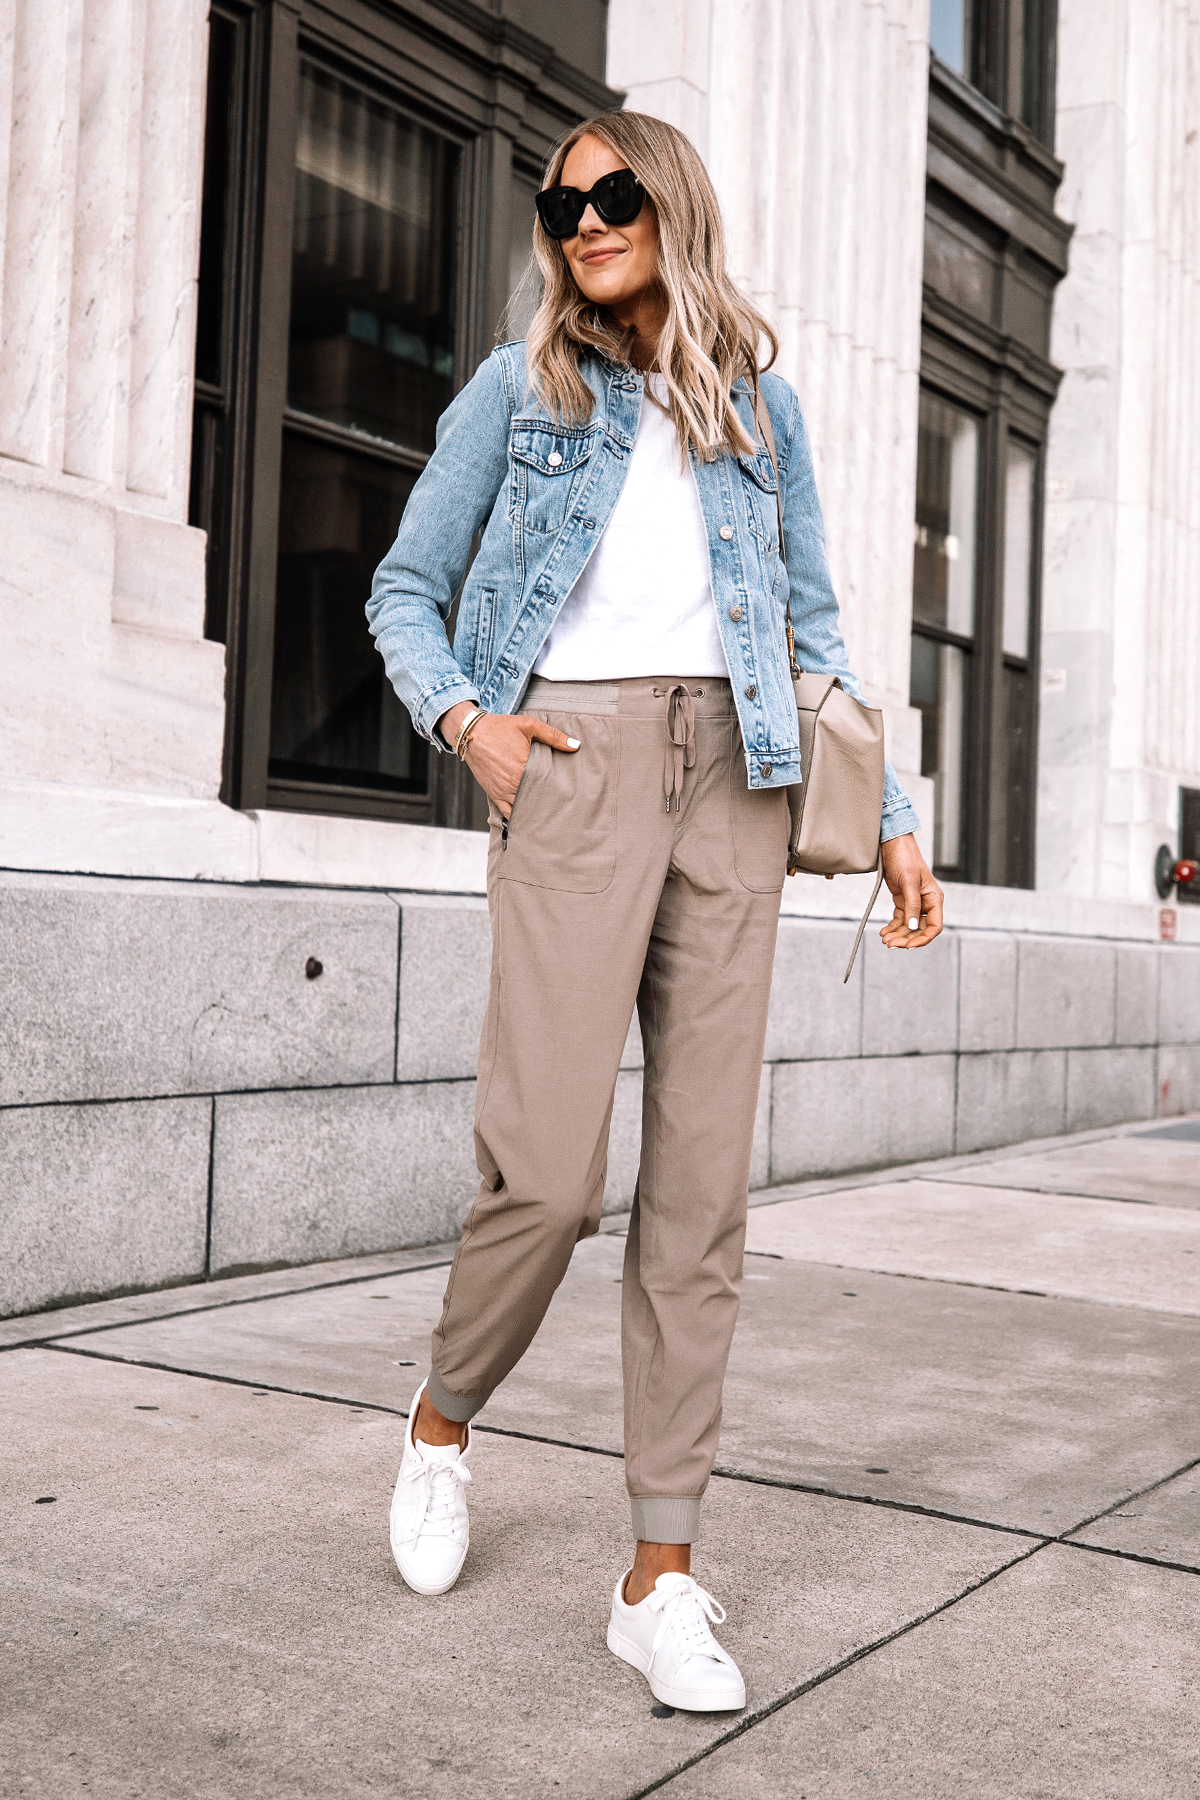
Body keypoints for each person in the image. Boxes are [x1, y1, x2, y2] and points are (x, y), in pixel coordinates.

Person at [367, 109, 943, 1712]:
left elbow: (814, 628)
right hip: (573, 768)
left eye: (612, 196)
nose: (585, 223)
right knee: (550, 1181)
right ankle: (440, 1418)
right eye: (562, 205)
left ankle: (660, 1573)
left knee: (699, 1201)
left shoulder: (758, 405)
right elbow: (403, 588)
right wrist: (468, 723)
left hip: (743, 784)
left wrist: (891, 816)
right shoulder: (518, 392)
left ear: (671, 202)